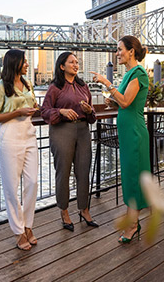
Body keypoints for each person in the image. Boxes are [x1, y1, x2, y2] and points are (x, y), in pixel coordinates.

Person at [91, 36, 150, 244]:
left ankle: (133, 225)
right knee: (129, 175)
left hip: (134, 132)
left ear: (131, 51)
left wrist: (108, 84)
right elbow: (124, 102)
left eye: (119, 49)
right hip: (127, 131)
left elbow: (126, 102)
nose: (117, 53)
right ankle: (132, 220)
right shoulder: (128, 75)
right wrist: (113, 101)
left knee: (133, 177)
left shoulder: (139, 73)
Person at [0, 49, 39, 251]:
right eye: (24, 61)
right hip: (10, 136)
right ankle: (19, 231)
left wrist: (35, 107)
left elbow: (31, 104)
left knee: (32, 182)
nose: (27, 64)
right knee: (11, 187)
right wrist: (17, 111)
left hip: (28, 133)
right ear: (14, 63)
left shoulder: (27, 84)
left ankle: (28, 225)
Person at [41, 52, 99, 232]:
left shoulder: (83, 86)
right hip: (62, 130)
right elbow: (44, 111)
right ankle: (64, 212)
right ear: (62, 66)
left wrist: (89, 110)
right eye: (71, 62)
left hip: (83, 130)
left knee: (83, 171)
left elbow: (92, 117)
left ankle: (84, 209)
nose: (76, 65)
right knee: (63, 172)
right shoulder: (55, 88)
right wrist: (61, 112)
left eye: (77, 62)